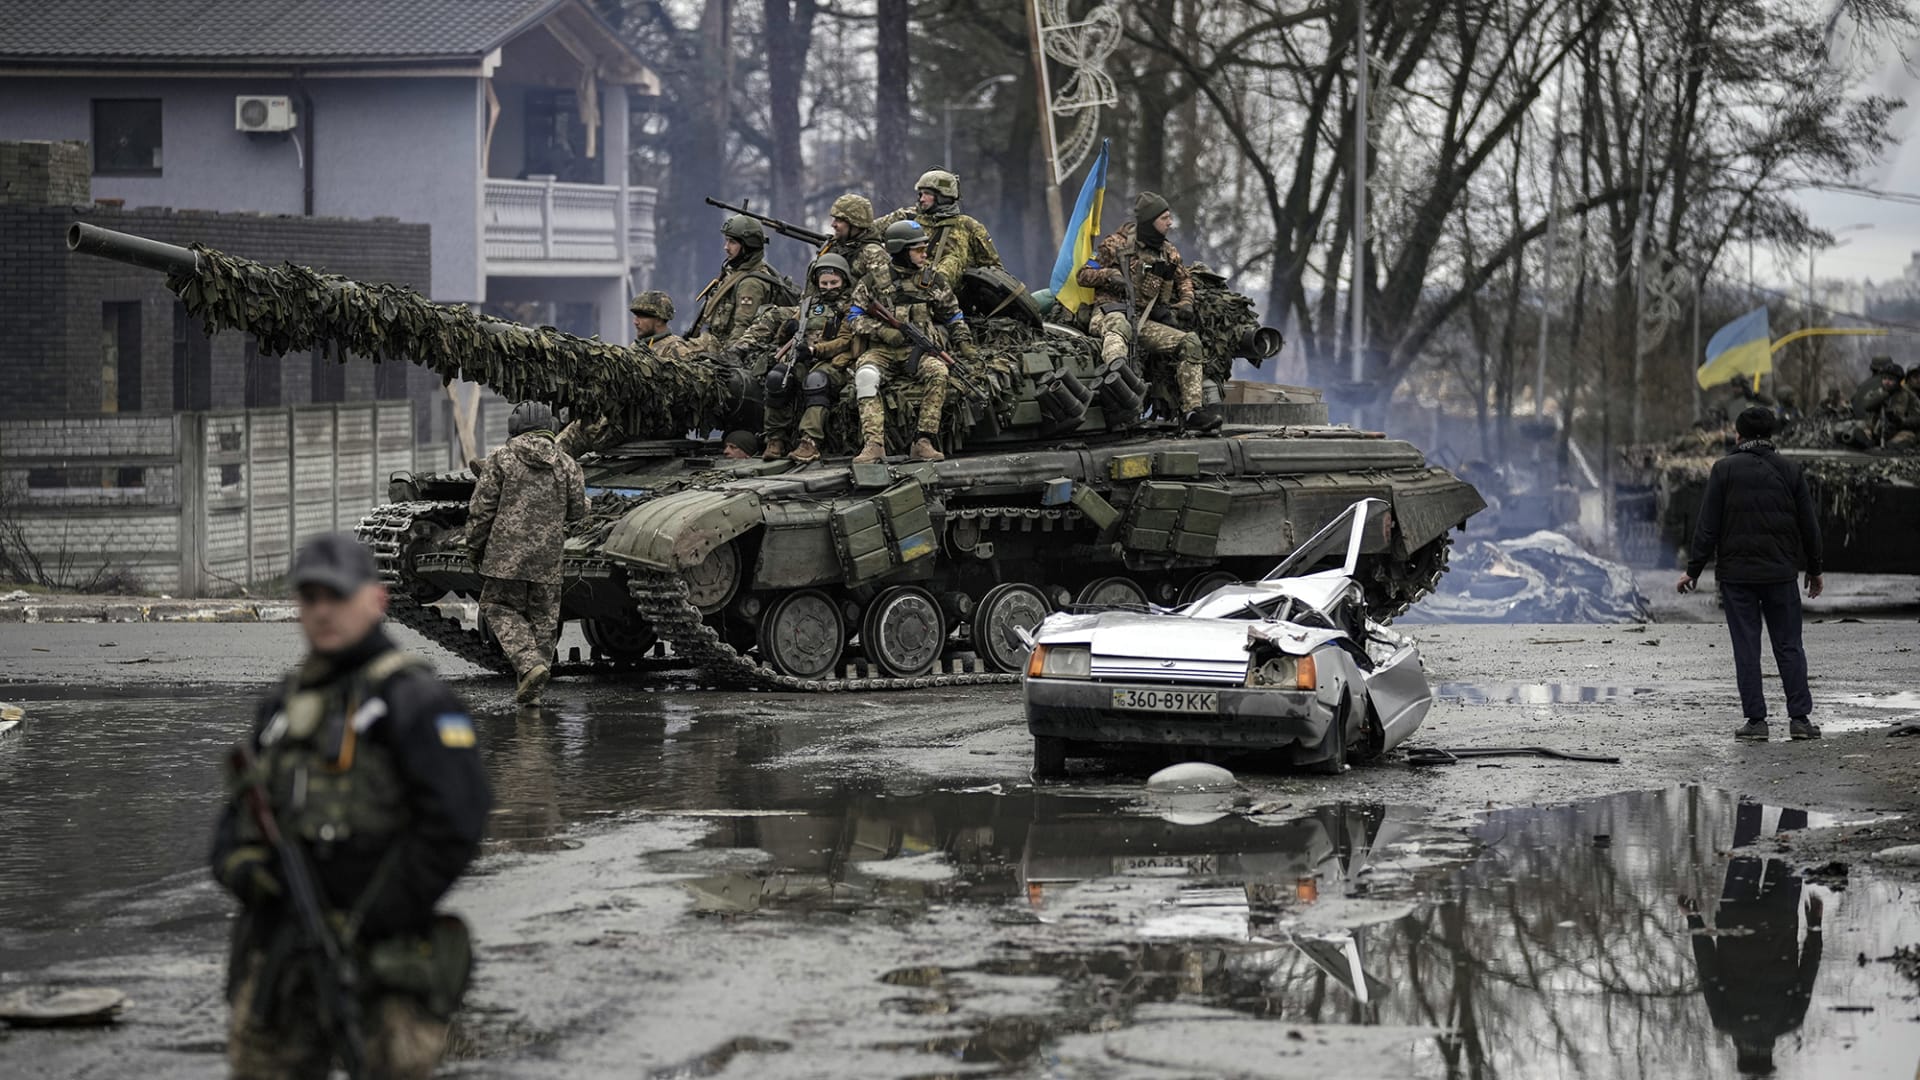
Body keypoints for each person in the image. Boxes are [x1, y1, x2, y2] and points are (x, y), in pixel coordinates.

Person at [211, 532, 492, 1080]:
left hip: (382, 957)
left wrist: (375, 912)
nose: (322, 611)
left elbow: (458, 822)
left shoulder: (414, 700)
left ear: (376, 600)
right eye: (310, 598)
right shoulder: (284, 703)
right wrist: (244, 869)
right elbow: (242, 810)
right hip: (282, 952)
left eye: (336, 596)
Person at [1677, 406, 1823, 741]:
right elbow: (1809, 527)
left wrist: (1693, 570)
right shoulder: (1790, 470)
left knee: (1746, 648)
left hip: (1737, 577)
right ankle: (1800, 720)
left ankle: (1756, 723)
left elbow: (1707, 525)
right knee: (1789, 645)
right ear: (1772, 436)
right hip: (1780, 574)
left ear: (1738, 435)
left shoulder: (1724, 470)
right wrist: (1814, 569)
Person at [1685, 800, 1822, 1077]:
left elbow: (1808, 969)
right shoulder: (1725, 1021)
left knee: (1790, 845)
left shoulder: (1789, 1021)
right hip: (1737, 917)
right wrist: (1694, 919)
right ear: (1740, 1054)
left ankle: (1798, 788)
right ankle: (1750, 790)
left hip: (1780, 919)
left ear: (1769, 1055)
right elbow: (1708, 969)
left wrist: (1815, 926)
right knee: (1746, 845)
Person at [466, 401, 588, 705]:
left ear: (515, 427)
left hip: (505, 558)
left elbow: (482, 510)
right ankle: (534, 685)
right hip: (548, 559)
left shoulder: (501, 459)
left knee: (496, 604)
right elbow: (576, 512)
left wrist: (473, 547)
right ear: (551, 428)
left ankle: (528, 665)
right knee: (544, 620)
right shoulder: (567, 463)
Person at [1077, 191, 1219, 431]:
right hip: (1108, 314)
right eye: (1164, 218)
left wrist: (1186, 301)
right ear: (1150, 220)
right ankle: (1118, 389)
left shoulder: (1168, 252)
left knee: (1190, 343)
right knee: (1119, 327)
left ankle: (1193, 412)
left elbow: (1184, 279)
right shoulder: (1114, 245)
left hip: (1141, 321)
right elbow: (1083, 274)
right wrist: (1109, 275)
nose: (1170, 223)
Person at [847, 220, 979, 464]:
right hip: (882, 351)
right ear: (900, 250)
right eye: (918, 249)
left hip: (918, 350)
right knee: (865, 375)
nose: (924, 253)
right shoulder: (873, 281)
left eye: (924, 248)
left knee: (939, 372)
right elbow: (854, 317)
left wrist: (963, 342)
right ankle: (874, 445)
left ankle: (923, 441)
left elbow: (952, 314)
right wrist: (882, 331)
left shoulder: (932, 280)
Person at [735, 255, 862, 462]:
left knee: (816, 382)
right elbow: (784, 336)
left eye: (834, 283)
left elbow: (844, 341)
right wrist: (789, 329)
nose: (829, 288)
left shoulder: (850, 308)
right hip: (803, 359)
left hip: (832, 363)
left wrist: (814, 350)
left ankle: (809, 441)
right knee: (777, 379)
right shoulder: (808, 305)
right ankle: (775, 438)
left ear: (844, 281)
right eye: (824, 284)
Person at [557, 291, 694, 457]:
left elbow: (683, 395)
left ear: (659, 319)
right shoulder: (639, 347)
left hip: (650, 423)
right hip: (631, 416)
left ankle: (549, 463)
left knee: (582, 429)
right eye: (635, 315)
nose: (635, 322)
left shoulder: (676, 349)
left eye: (642, 316)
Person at [874, 168, 1003, 290]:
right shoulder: (907, 218)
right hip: (902, 293)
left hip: (951, 300)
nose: (921, 199)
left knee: (952, 261)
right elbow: (869, 232)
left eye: (927, 194)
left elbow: (993, 272)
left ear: (943, 196)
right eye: (921, 194)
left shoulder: (968, 227)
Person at [688, 214, 790, 349]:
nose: (726, 247)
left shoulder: (750, 283)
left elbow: (741, 329)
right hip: (713, 344)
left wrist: (724, 360)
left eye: (732, 242)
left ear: (748, 246)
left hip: (722, 351)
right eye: (726, 241)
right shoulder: (735, 273)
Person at [822, 193, 892, 293]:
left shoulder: (873, 254)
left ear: (855, 224)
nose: (833, 224)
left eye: (839, 220)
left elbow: (884, 293)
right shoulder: (838, 245)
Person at [1847, 361, 1905, 448]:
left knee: (1904, 438)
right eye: (1884, 378)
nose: (1887, 382)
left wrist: (1900, 419)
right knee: (1859, 433)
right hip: (1875, 429)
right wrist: (1885, 395)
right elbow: (1867, 405)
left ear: (1898, 381)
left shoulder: (1906, 394)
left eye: (1891, 379)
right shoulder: (1878, 392)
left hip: (1898, 430)